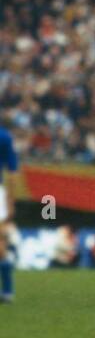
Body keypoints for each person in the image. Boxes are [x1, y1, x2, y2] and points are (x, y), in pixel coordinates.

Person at [0, 122, 18, 303]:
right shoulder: (5, 136)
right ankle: (7, 291)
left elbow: (12, 173)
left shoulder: (4, 137)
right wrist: (10, 201)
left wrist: (10, 200)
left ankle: (7, 291)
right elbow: (12, 172)